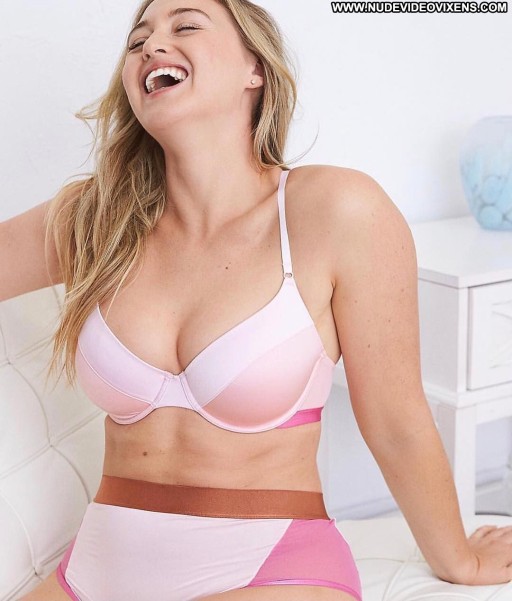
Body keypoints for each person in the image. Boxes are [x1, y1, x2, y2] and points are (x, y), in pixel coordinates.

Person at [2, 0, 512, 599]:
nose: (151, 45)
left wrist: (461, 561)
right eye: (138, 40)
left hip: (271, 569)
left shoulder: (336, 211)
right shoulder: (93, 219)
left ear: (256, 70)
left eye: (185, 25)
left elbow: (396, 421)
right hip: (93, 571)